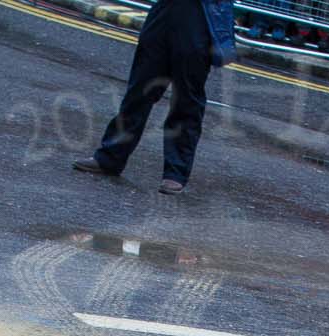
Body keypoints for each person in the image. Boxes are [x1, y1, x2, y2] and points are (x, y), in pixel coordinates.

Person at [71, 0, 238, 194]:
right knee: (139, 90)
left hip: (200, 16)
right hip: (164, 12)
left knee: (186, 99)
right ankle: (110, 158)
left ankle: (175, 173)